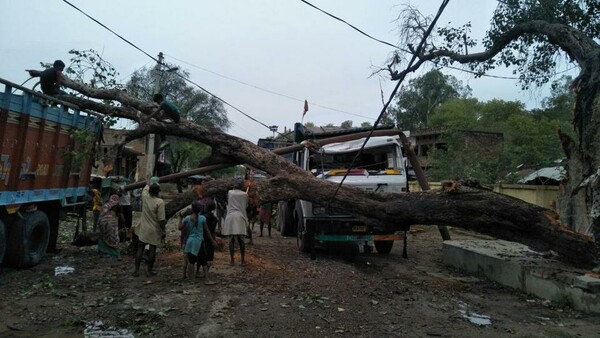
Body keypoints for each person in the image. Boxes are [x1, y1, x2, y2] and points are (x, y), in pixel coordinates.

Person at [133, 182, 166, 277]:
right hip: (154, 229)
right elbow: (161, 219)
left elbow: (146, 187)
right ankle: (149, 271)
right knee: (152, 250)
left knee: (140, 248)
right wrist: (163, 230)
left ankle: (136, 271)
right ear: (158, 192)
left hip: (143, 228)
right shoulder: (159, 202)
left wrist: (150, 181)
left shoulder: (145, 196)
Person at [222, 176, 249, 266]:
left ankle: (232, 260)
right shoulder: (245, 194)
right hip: (240, 217)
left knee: (231, 240)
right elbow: (245, 207)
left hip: (230, 217)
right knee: (241, 240)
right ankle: (242, 260)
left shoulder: (230, 192)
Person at [198, 200, 218, 285]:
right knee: (209, 256)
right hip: (211, 238)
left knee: (201, 256)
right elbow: (213, 230)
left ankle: (198, 271)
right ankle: (205, 273)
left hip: (203, 237)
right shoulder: (215, 218)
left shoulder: (202, 217)